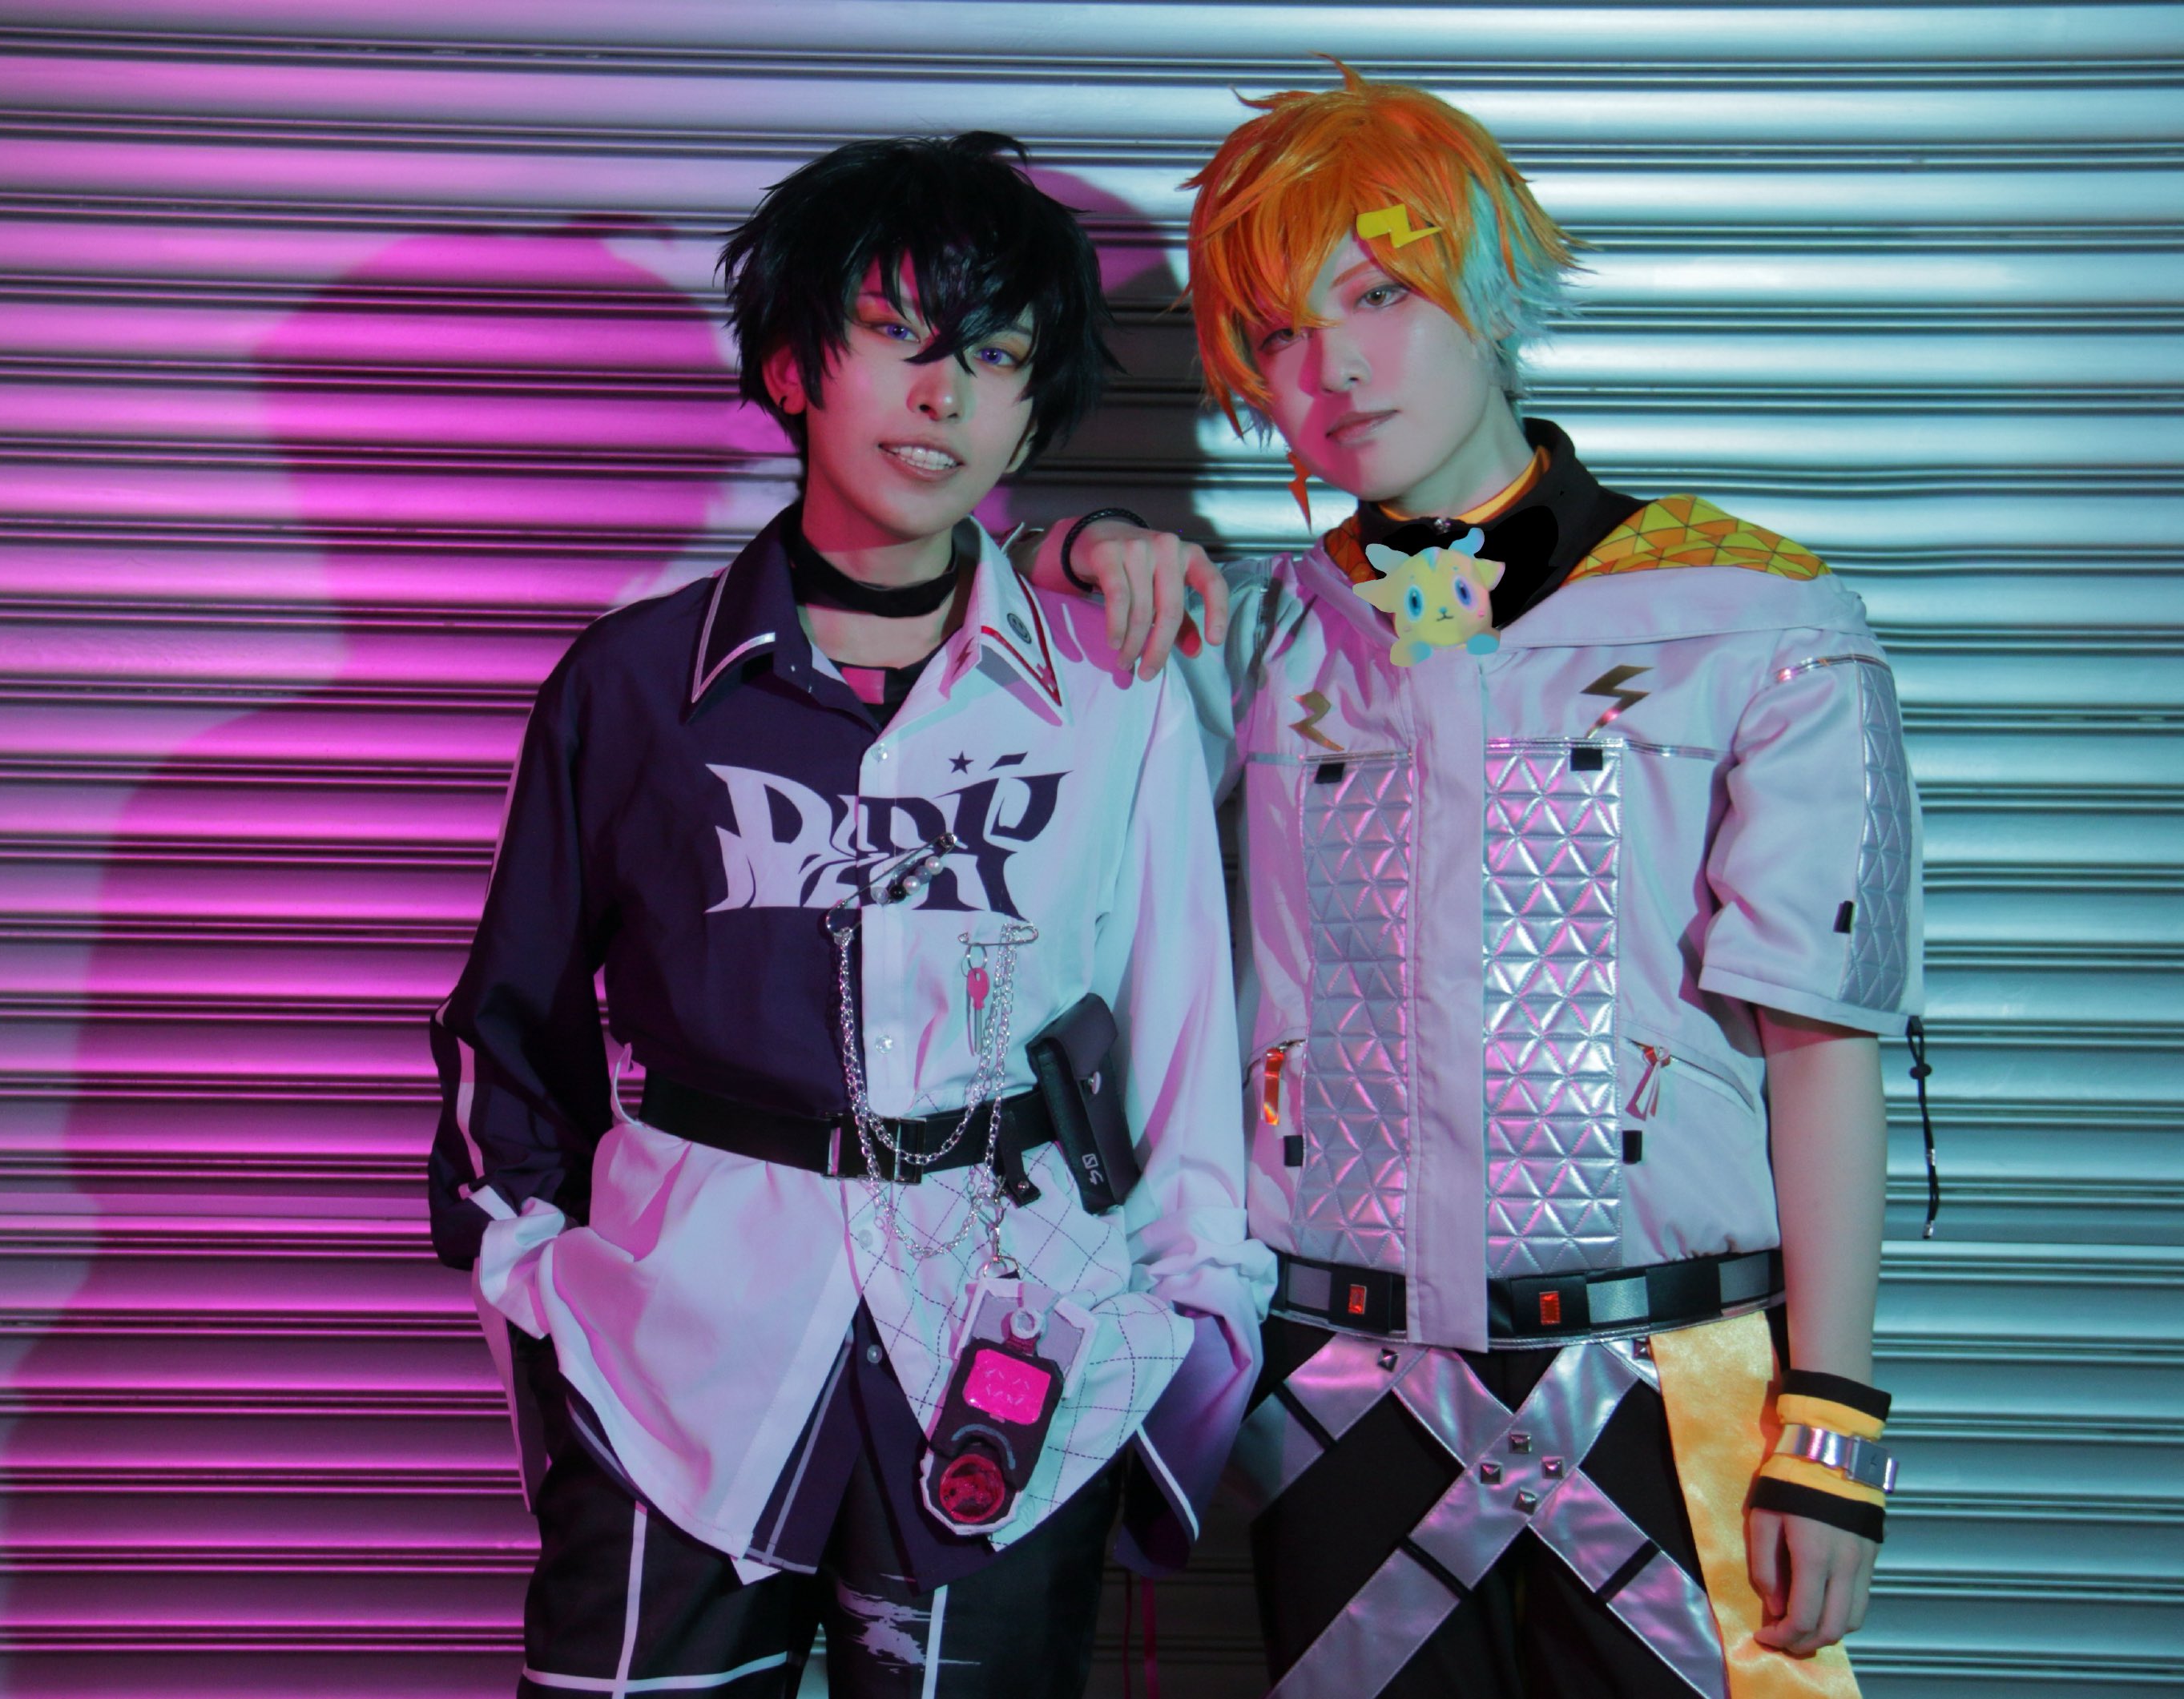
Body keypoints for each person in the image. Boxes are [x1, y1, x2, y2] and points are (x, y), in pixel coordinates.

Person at [1024, 69, 1923, 1699]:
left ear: (1490, 288)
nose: (1335, 368)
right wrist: (1080, 548)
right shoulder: (1254, 635)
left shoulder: (1757, 621)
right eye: (1279, 332)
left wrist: (1832, 1426)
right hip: (1336, 1396)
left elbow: (1820, 1045)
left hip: (1682, 1386)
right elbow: (980, 698)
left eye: (1379, 294)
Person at [426, 132, 1270, 1699]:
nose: (942, 396)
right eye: (894, 336)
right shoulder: (634, 686)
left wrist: (1180, 1317)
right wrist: (535, 1289)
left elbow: (1183, 1046)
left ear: (1033, 405)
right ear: (791, 365)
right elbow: (511, 1032)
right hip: (677, 1354)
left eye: (994, 355)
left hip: (1017, 1352)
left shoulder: (1113, 690)